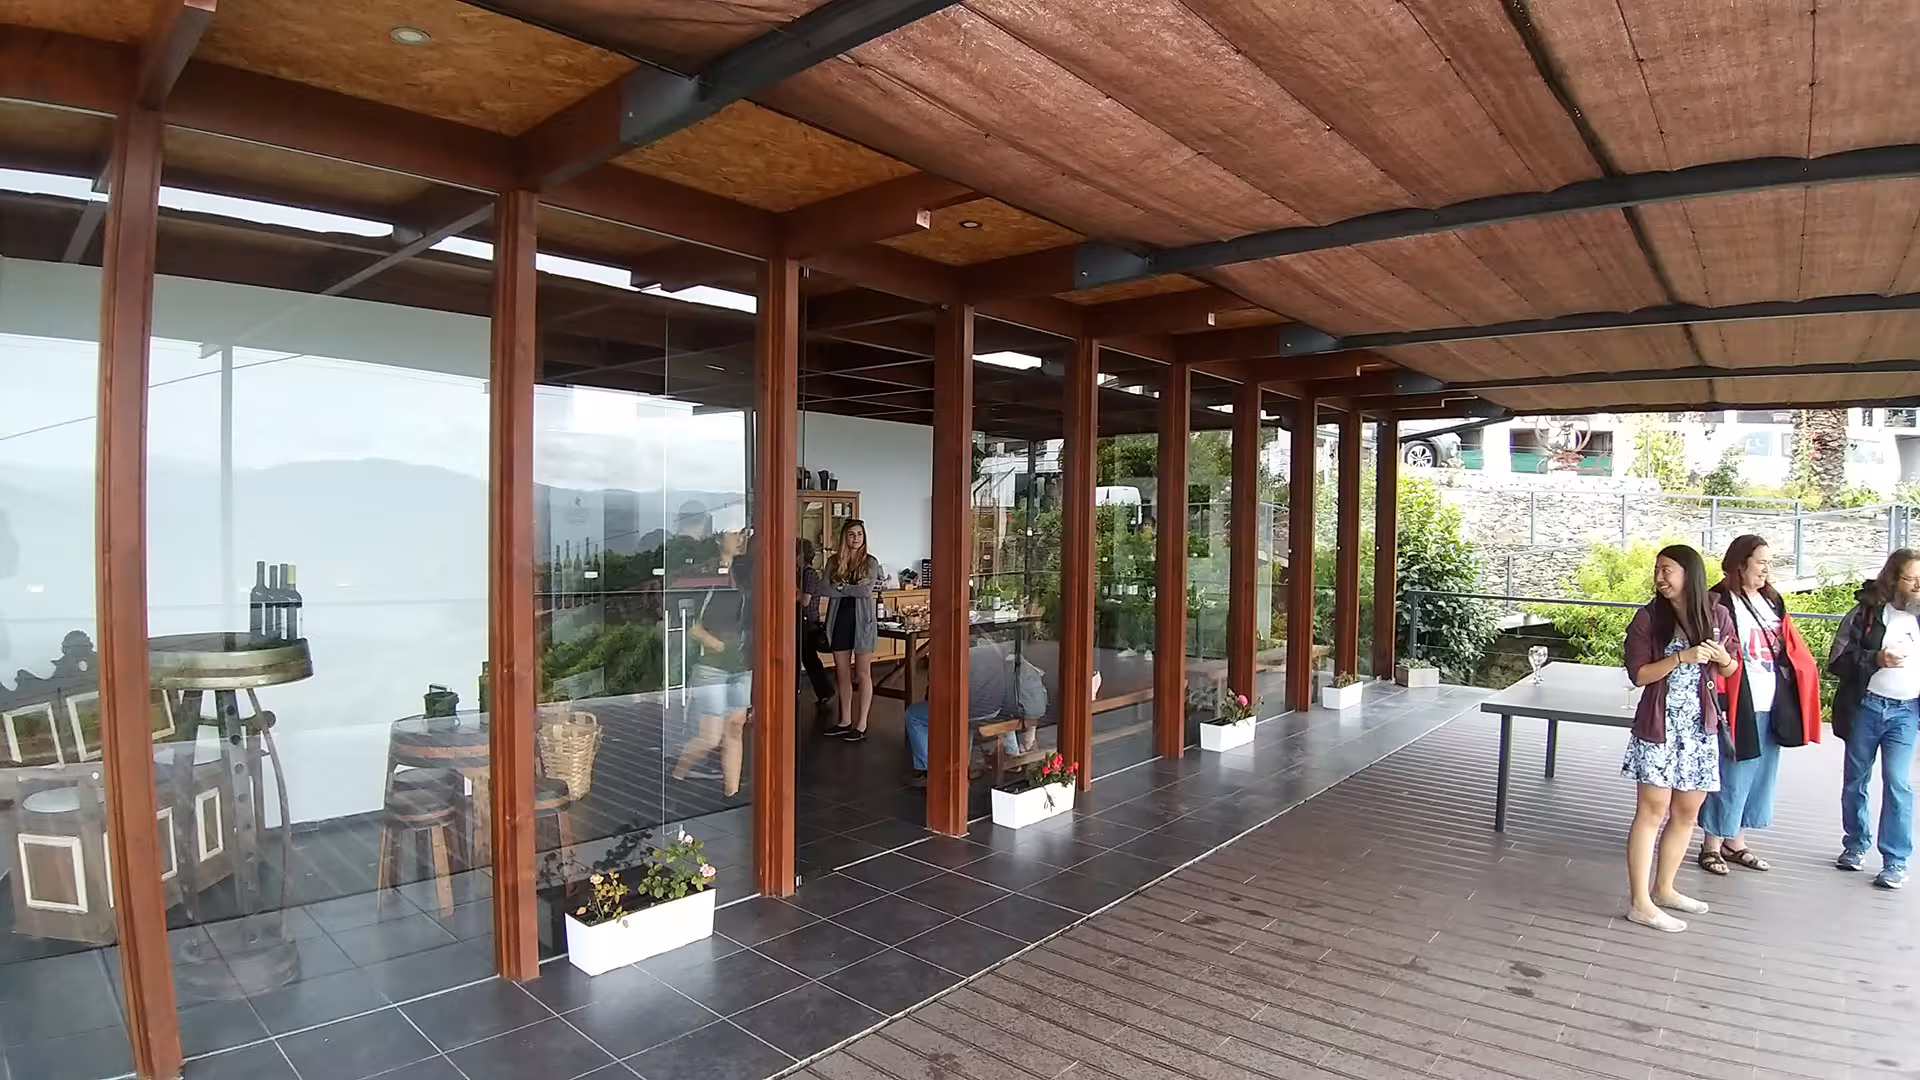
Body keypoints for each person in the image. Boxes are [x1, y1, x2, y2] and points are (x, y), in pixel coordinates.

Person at [1621, 544, 1739, 932]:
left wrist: (1720, 656)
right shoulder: (1648, 618)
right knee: (1652, 812)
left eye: (1667, 569)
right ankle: (1640, 902)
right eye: (1657, 569)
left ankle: (1665, 889)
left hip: (1699, 729)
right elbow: (1639, 675)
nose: (1659, 577)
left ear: (1689, 573)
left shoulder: (1718, 615)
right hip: (1659, 727)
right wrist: (1681, 657)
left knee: (1687, 812)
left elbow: (1732, 667)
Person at [1698, 535, 1822, 876]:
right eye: (1761, 562)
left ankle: (1735, 841)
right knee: (1733, 770)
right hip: (1738, 698)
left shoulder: (1772, 600)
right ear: (1740, 564)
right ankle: (1711, 844)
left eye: (1769, 563)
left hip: (1772, 698)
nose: (1767, 569)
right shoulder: (1717, 601)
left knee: (1762, 774)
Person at [1829, 548, 1920, 890]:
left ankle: (1895, 861)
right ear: (1893, 578)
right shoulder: (1866, 612)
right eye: (1912, 579)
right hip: (1866, 706)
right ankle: (1855, 843)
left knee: (1898, 783)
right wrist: (1876, 658)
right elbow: (1838, 660)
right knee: (1856, 779)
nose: (1917, 586)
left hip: (1906, 711)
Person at [904, 635, 1044, 787]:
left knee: (914, 715)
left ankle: (926, 769)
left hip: (969, 711)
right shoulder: (995, 648)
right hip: (996, 709)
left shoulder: (953, 651)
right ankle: (1012, 754)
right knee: (997, 710)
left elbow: (939, 689)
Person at [674, 530, 752, 797]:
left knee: (734, 728)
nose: (741, 538)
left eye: (743, 534)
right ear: (719, 540)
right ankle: (677, 775)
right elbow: (690, 624)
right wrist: (718, 646)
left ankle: (732, 792)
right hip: (712, 664)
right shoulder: (707, 574)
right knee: (711, 737)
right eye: (735, 534)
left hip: (741, 664)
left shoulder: (747, 575)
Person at [823, 520, 881, 742]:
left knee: (863, 673)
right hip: (839, 621)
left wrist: (841, 586)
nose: (856, 538)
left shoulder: (870, 562)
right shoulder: (833, 561)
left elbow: (865, 591)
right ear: (844, 538)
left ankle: (862, 723)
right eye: (851, 534)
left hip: (862, 623)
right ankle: (845, 720)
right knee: (842, 673)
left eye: (859, 534)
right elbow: (824, 588)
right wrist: (849, 589)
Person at [796, 539, 834, 709]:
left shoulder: (809, 573)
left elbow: (805, 600)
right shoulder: (801, 572)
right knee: (807, 658)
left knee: (808, 658)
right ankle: (824, 691)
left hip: (808, 622)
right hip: (804, 621)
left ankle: (825, 691)